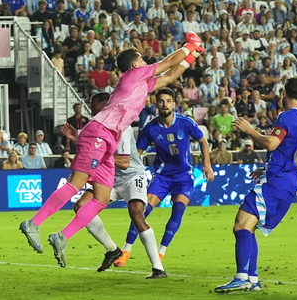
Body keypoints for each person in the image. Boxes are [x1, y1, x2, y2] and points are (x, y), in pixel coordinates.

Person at [19, 32, 204, 268]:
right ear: (136, 64)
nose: (146, 63)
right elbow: (167, 63)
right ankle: (33, 223)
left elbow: (169, 76)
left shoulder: (140, 82)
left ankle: (62, 236)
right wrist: (190, 45)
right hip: (99, 132)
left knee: (101, 198)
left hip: (108, 139)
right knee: (76, 184)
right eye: (142, 59)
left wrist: (191, 57)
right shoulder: (135, 74)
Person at [214, 77, 297, 293]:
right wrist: (267, 166)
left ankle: (241, 277)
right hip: (287, 183)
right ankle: (253, 279)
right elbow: (285, 150)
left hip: (275, 183)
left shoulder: (286, 117)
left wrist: (249, 129)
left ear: (284, 94)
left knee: (240, 224)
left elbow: (271, 143)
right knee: (250, 228)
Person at [63, 92, 167, 278]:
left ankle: (158, 268)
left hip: (131, 177)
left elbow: (124, 162)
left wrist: (96, 153)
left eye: (94, 107)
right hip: (108, 178)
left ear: (106, 108)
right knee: (80, 207)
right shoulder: (93, 127)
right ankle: (112, 250)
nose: (91, 111)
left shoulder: (122, 127)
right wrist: (78, 140)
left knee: (136, 213)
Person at [114, 88, 214, 267]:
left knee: (178, 210)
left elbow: (203, 142)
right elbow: (137, 153)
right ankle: (126, 249)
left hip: (184, 176)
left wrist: (207, 165)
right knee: (141, 211)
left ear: (174, 104)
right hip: (161, 176)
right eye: (161, 101)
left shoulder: (185, 122)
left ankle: (161, 251)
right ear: (156, 104)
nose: (165, 104)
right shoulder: (150, 129)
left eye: (168, 101)